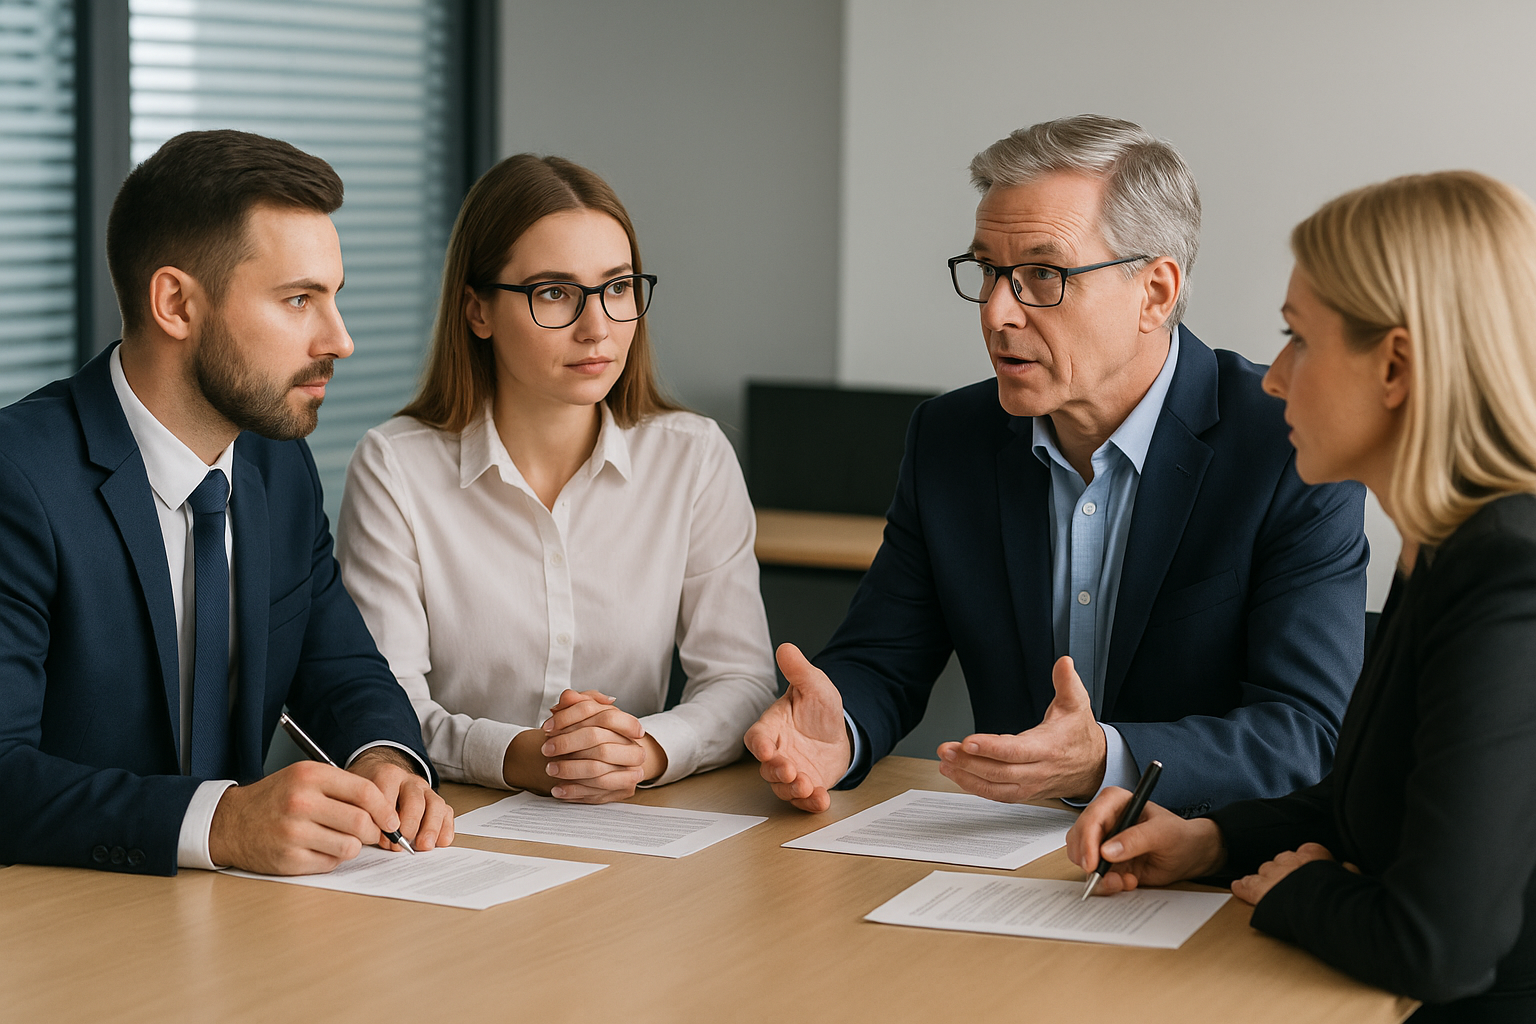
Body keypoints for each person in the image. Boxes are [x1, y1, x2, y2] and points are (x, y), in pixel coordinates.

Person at [747, 114, 1369, 816]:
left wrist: (1107, 759)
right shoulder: (950, 438)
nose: (996, 311)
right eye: (988, 271)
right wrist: (841, 732)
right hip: (1007, 859)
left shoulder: (1286, 443)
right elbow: (883, 658)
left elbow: (1308, 734)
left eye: (1043, 274)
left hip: (1207, 863)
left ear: (1156, 292)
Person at [1067, 170, 1536, 1020]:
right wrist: (1209, 842)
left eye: (1299, 340)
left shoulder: (1509, 572)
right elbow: (1374, 804)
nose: (1275, 377)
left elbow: (1440, 945)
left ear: (1395, 365)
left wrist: (1300, 890)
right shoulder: (1448, 546)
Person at [0, 130, 453, 876]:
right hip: (54, 933)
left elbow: (337, 663)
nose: (339, 339)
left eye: (334, 297)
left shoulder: (278, 464)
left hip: (236, 925)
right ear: (176, 303)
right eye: (299, 300)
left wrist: (383, 761)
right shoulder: (17, 480)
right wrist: (218, 823)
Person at [336, 154, 775, 803]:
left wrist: (646, 750)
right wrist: (520, 757)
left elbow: (741, 679)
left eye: (618, 287)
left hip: (631, 820)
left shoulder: (693, 456)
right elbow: (382, 706)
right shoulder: (396, 467)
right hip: (453, 825)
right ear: (478, 311)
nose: (597, 327)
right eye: (554, 293)